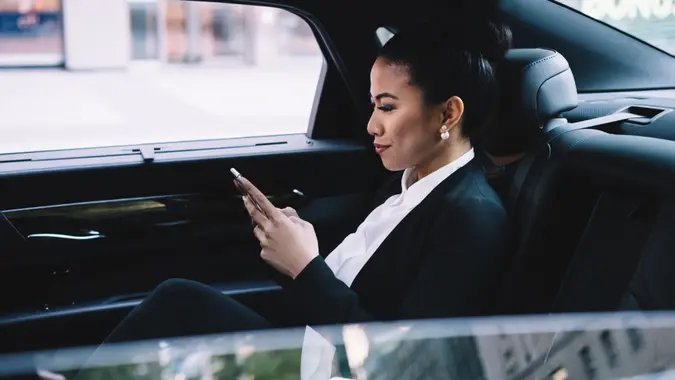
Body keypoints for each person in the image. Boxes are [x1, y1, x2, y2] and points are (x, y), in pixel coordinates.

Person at [102, 17, 516, 345]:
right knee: (179, 299)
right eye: (373, 105)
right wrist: (286, 247)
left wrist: (305, 267)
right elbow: (347, 291)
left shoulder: (470, 217)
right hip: (311, 350)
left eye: (387, 107)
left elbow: (400, 359)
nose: (371, 124)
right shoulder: (403, 184)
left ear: (448, 115)